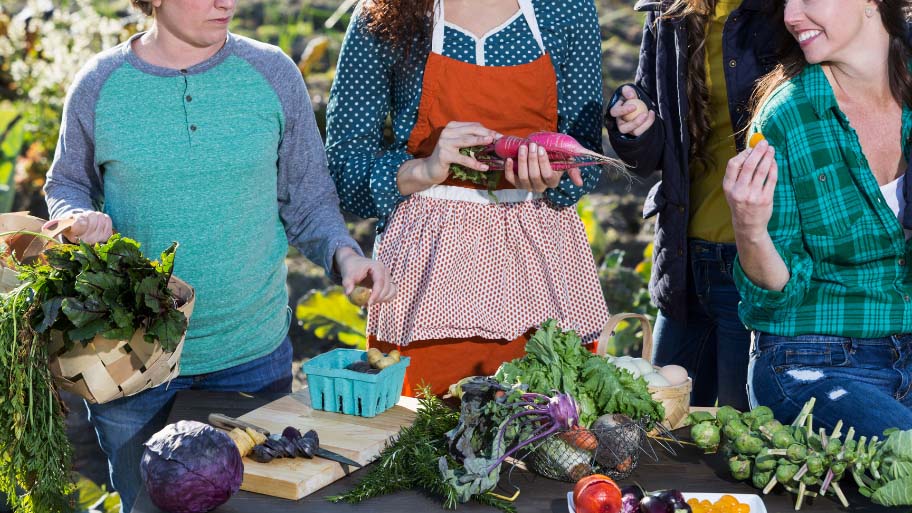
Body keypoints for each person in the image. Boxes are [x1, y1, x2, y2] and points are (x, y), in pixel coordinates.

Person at [42, 0, 395, 510]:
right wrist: (77, 218)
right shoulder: (101, 83)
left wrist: (343, 254)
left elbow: (309, 197)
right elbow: (68, 183)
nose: (225, 3)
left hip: (249, 357)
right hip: (131, 366)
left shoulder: (271, 72)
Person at [326, 0, 610, 396]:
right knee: (417, 437)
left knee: (546, 431)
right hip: (426, 275)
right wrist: (421, 170)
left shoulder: (566, 9)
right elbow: (344, 165)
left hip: (541, 271)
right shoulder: (386, 13)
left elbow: (585, 158)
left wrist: (555, 178)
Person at [724, 0, 912, 437]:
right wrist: (750, 228)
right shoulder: (786, 117)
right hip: (814, 361)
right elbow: (776, 299)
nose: (791, 16)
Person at [604, 0, 785, 410]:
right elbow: (649, 157)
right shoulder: (669, 14)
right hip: (685, 263)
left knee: (743, 441)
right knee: (658, 423)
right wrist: (633, 122)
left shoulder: (791, 13)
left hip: (757, 267)